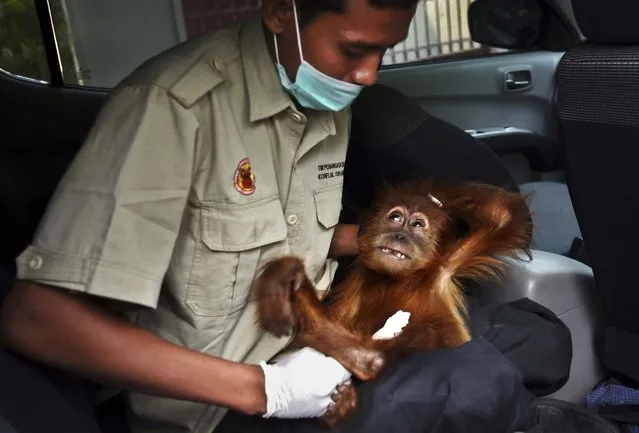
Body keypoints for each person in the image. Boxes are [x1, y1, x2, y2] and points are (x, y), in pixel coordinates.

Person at [0, 1, 535, 433]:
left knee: (527, 336)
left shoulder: (325, 90)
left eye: (383, 50)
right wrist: (265, 391)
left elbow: (288, 233)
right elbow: (36, 319)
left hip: (323, 343)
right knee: (475, 383)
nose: (369, 75)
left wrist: (395, 241)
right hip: (222, 404)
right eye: (355, 48)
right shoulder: (174, 108)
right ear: (281, 12)